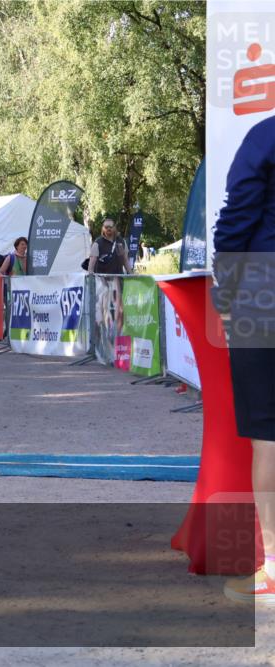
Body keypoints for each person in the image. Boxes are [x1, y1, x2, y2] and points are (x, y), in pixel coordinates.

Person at [214, 115, 275, 607]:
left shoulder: (265, 136)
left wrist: (225, 292)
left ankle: (274, 568)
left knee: (270, 437)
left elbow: (237, 219)